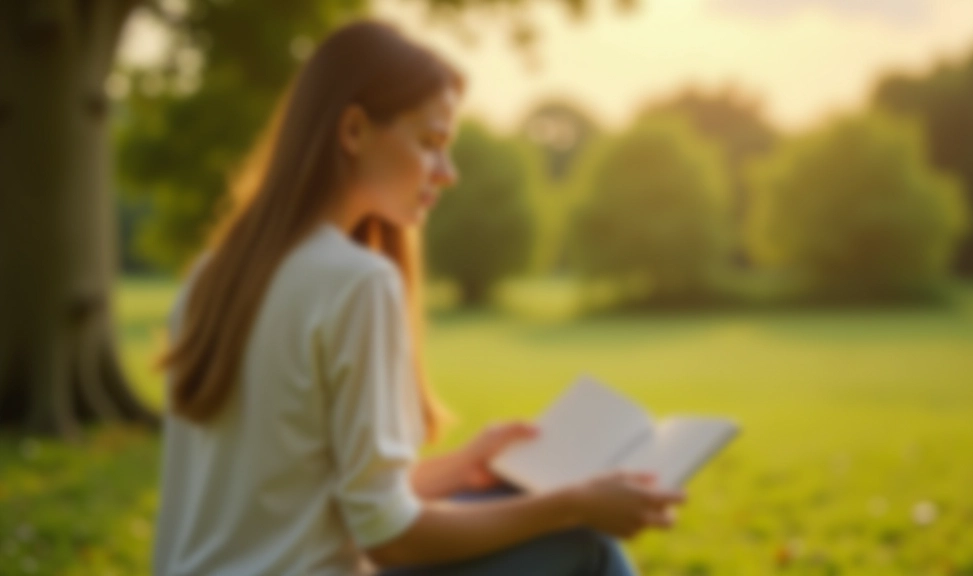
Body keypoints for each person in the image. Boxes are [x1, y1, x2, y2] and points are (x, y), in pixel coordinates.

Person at [153, 20, 684, 576]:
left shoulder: (211, 275)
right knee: (586, 546)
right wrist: (572, 503)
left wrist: (460, 468)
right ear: (354, 131)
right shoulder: (356, 282)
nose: (448, 174)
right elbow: (387, 538)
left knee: (512, 507)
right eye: (430, 143)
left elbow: (311, 499)